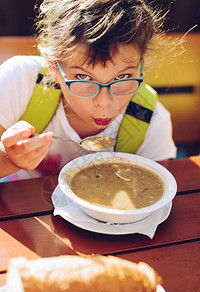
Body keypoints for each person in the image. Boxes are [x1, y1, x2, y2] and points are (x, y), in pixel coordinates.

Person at [0, 0, 176, 181]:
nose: (104, 102)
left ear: (141, 63)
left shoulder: (150, 121)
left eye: (122, 77)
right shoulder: (21, 81)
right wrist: (7, 159)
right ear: (53, 67)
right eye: (83, 77)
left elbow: (154, 193)